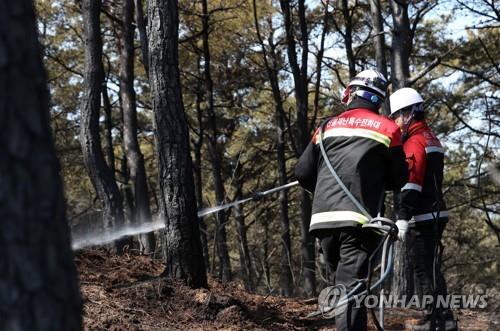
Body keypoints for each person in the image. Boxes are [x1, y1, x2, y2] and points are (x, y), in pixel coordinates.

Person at [295, 70, 408, 331]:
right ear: (378, 100)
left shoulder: (325, 128)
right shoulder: (389, 129)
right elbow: (398, 178)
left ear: (351, 93)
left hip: (323, 221)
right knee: (351, 290)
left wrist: (326, 192)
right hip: (358, 222)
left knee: (345, 285)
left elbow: (302, 173)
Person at [389, 87, 456, 330]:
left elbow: (412, 181)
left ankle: (437, 320)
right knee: (430, 266)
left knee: (423, 269)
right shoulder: (430, 137)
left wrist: (403, 215)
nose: (395, 122)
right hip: (435, 211)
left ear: (408, 114)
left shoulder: (415, 141)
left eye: (396, 116)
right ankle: (441, 317)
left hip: (423, 214)